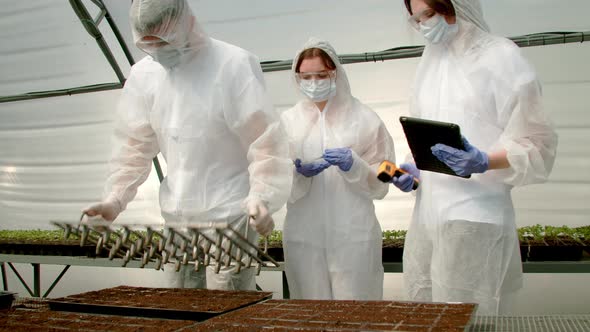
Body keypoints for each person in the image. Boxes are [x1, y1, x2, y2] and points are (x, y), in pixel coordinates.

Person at [82, 0, 292, 291]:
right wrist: (115, 198)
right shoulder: (144, 75)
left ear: (182, 23)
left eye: (163, 41)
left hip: (231, 213)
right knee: (180, 301)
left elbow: (265, 142)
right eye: (148, 44)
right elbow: (133, 145)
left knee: (226, 306)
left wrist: (262, 195)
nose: (157, 52)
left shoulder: (231, 64)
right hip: (177, 216)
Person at [392, 0, 558, 315]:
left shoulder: (500, 56)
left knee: (471, 315)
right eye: (416, 19)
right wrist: (415, 168)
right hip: (428, 217)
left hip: (475, 216)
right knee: (427, 312)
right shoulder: (431, 62)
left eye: (429, 14)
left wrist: (484, 160)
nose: (424, 24)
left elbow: (538, 141)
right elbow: (427, 129)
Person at [280, 38, 396, 300]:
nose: (313, 83)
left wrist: (356, 165)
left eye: (321, 75)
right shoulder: (288, 122)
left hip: (353, 234)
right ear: (296, 77)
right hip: (304, 235)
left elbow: (387, 172)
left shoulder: (364, 118)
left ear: (335, 72)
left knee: (355, 309)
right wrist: (296, 173)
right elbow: (274, 175)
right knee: (311, 311)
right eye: (306, 76)